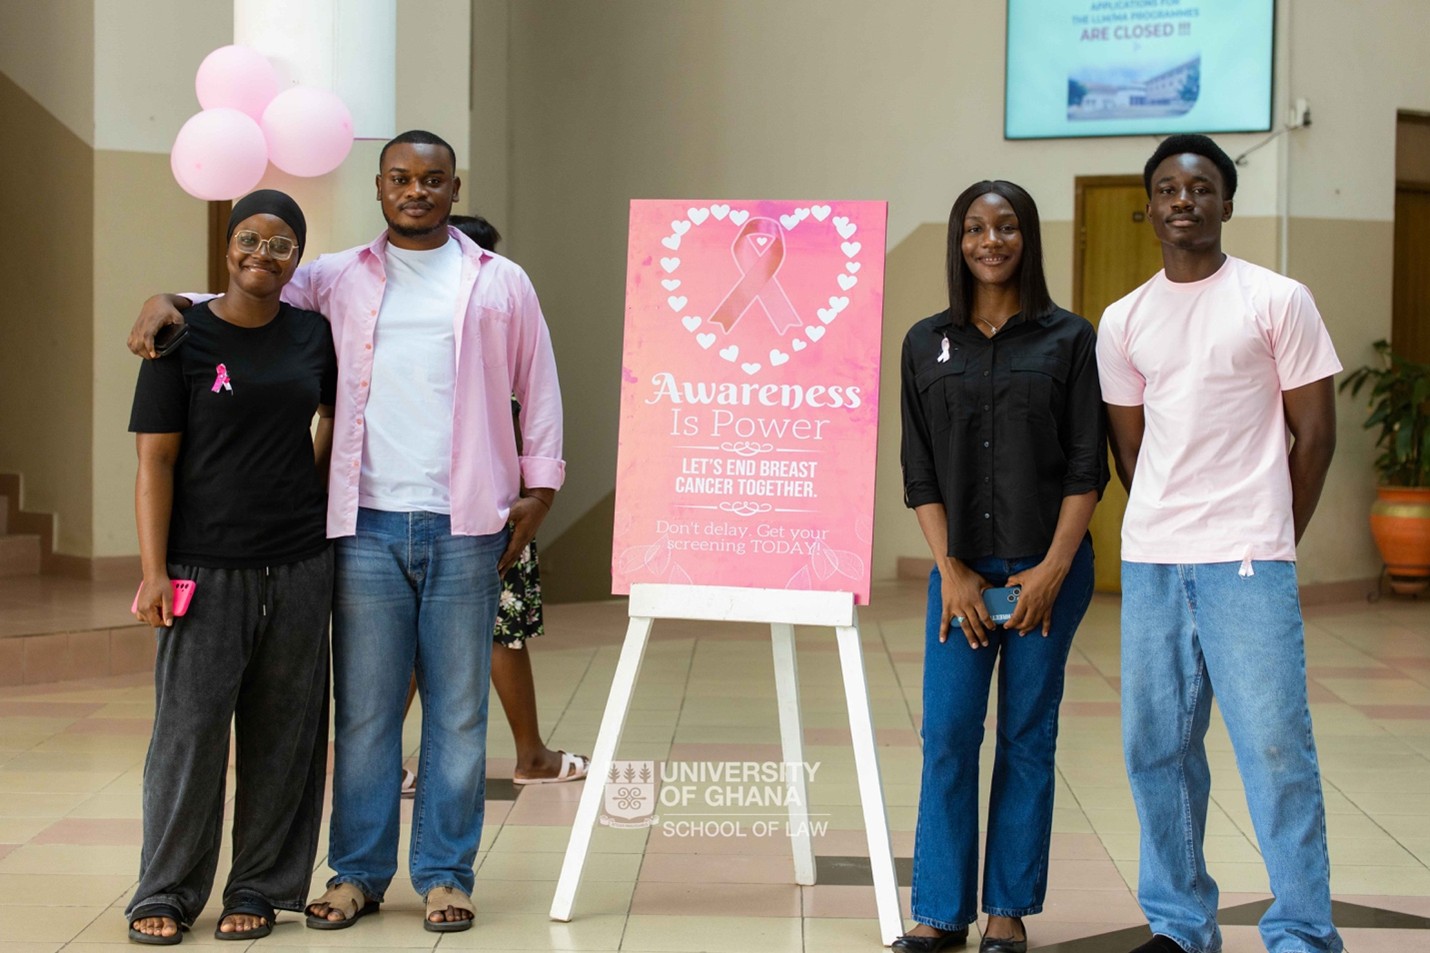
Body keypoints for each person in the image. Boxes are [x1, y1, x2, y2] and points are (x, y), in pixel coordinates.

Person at [127, 130, 565, 934]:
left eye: (433, 180)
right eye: (401, 178)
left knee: (460, 710)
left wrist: (540, 488)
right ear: (378, 186)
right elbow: (251, 288)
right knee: (364, 711)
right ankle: (357, 870)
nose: (417, 191)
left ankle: (443, 873)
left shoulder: (501, 282)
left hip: (467, 522)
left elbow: (538, 380)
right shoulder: (335, 278)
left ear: (453, 186)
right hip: (361, 524)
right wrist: (175, 301)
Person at [1096, 134, 1342, 953]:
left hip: (1248, 563)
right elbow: (1130, 448)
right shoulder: (1125, 319)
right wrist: (1169, 524)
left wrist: (1272, 531)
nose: (1183, 201)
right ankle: (1179, 923)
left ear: (1227, 202)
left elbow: (1315, 434)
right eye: (1166, 188)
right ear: (1151, 206)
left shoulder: (1277, 298)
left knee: (1275, 751)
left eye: (1200, 188)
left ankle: (1303, 930)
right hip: (1156, 561)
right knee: (1155, 749)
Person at [897, 181, 1105, 953]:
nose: (992, 240)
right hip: (962, 573)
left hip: (1046, 566)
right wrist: (950, 570)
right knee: (949, 731)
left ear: (1028, 238)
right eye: (976, 228)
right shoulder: (926, 342)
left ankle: (1008, 908)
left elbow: (1088, 466)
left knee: (1025, 733)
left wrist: (1051, 570)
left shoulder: (1070, 338)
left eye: (1007, 226)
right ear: (958, 241)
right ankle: (940, 911)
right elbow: (919, 468)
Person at [125, 190, 336, 945]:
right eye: (250, 238)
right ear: (227, 247)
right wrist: (154, 570)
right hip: (203, 567)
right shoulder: (179, 335)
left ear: (297, 257)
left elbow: (334, 424)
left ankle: (260, 885)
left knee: (287, 734)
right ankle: (167, 889)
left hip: (301, 565)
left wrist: (303, 500)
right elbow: (155, 460)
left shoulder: (314, 334)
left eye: (282, 244)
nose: (263, 253)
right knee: (189, 734)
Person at [396, 213, 588, 798]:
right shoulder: (466, 357)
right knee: (501, 634)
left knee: (436, 636)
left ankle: (385, 759)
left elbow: (540, 408)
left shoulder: (482, 339)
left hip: (497, 511)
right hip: (487, 515)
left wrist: (540, 495)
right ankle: (530, 753)